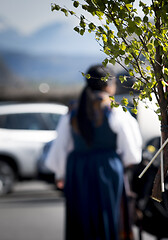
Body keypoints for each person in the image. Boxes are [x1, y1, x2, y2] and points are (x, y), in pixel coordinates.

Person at [45, 64, 142, 240]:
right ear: (109, 84)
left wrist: (60, 173)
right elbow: (131, 152)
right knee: (107, 217)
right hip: (107, 168)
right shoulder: (115, 110)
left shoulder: (74, 110)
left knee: (81, 220)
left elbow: (61, 146)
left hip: (78, 169)